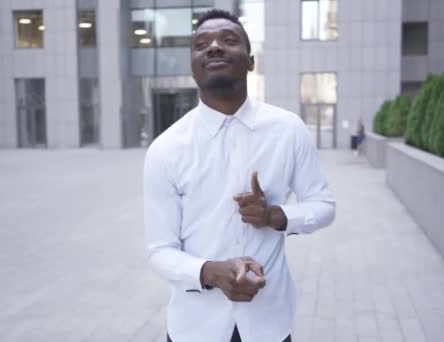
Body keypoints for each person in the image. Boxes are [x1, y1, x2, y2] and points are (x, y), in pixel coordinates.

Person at [143, 9, 336, 342]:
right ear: (193, 67)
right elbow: (160, 251)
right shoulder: (165, 149)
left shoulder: (287, 130)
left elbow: (323, 205)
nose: (214, 47)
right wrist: (209, 272)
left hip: (269, 322)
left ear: (250, 60)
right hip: (194, 327)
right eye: (201, 44)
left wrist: (277, 215)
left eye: (229, 40)